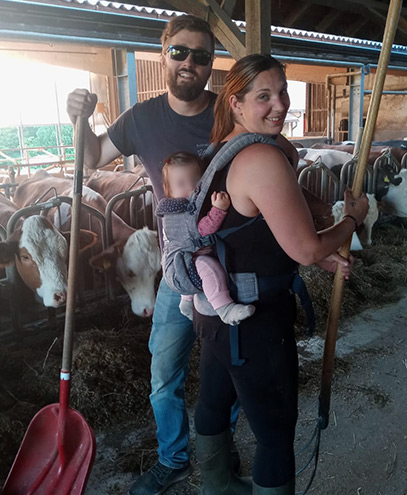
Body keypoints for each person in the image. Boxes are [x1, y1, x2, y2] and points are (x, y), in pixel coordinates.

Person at [66, 14, 242, 495]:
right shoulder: (141, 118)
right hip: (176, 272)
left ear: (210, 64)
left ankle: (220, 450)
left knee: (229, 369)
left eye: (201, 55)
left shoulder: (229, 113)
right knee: (163, 374)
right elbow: (91, 157)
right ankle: (174, 458)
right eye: (180, 51)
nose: (189, 62)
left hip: (231, 265)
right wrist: (78, 117)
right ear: (164, 54)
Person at [191, 54, 368, 495]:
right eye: (264, 96)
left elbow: (256, 229)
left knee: (214, 402)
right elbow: (305, 248)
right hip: (255, 319)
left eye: (283, 93)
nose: (280, 105)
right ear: (236, 103)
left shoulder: (220, 150)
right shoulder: (262, 158)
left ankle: (218, 486)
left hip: (214, 311)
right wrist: (352, 220)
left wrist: (320, 257)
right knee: (275, 430)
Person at [161, 150, 256, 324]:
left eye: (196, 181)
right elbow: (202, 231)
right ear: (169, 191)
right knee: (210, 268)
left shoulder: (178, 208)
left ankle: (186, 302)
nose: (190, 188)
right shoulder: (180, 212)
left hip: (183, 261)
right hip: (189, 261)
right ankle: (225, 309)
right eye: (181, 184)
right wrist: (218, 210)